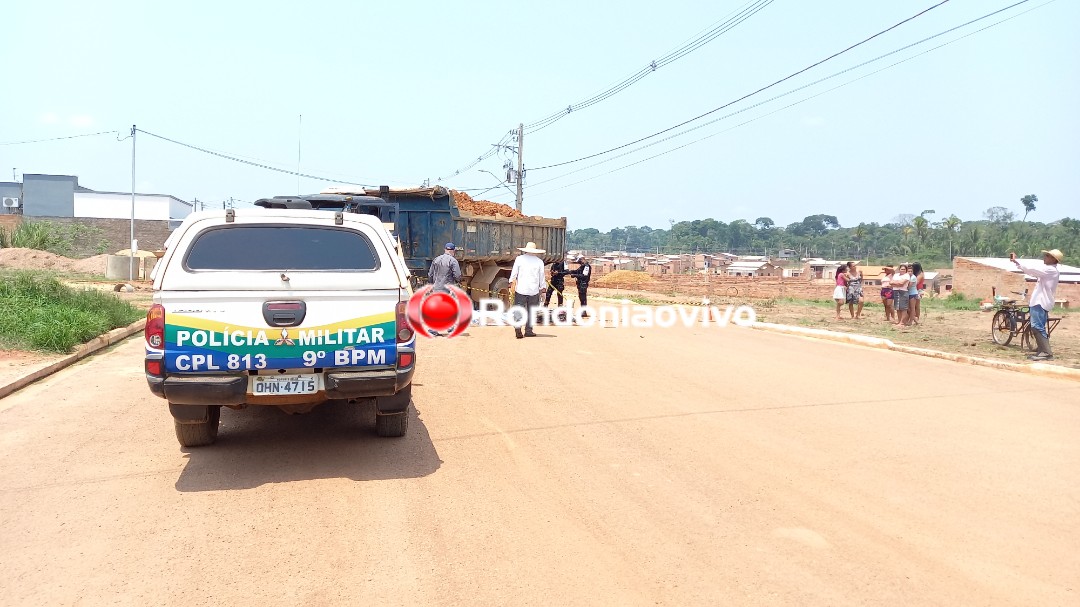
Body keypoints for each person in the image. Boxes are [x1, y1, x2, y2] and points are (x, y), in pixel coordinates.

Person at [1012, 249, 1063, 360]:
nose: (1044, 257)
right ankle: (1042, 351)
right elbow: (1031, 271)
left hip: (1040, 302)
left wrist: (1017, 262)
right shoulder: (1048, 270)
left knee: (1037, 327)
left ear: (1053, 259)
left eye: (1047, 256)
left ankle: (1046, 353)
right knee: (1037, 327)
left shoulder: (1050, 270)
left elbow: (1032, 270)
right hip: (1039, 302)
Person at [508, 241, 547, 339]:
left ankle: (517, 327)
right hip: (533, 291)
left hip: (521, 289)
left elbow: (514, 273)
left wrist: (511, 281)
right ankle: (528, 331)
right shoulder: (539, 262)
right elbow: (541, 277)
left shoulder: (519, 259)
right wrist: (543, 289)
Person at [425, 242, 463, 336]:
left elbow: (430, 274)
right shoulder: (453, 261)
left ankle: (433, 328)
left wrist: (432, 284)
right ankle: (450, 328)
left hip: (436, 288)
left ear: (445, 250)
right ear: (453, 251)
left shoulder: (436, 259)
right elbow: (457, 275)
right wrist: (459, 281)